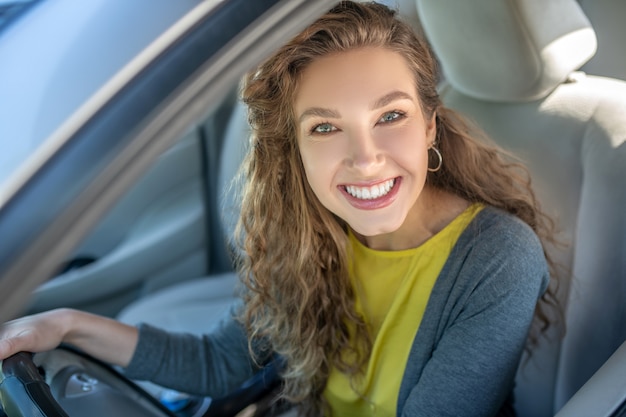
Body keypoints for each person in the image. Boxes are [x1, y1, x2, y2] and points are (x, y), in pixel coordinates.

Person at [0, 2, 561, 416]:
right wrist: (64, 325)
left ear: (430, 125)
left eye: (390, 116)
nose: (366, 160)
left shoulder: (497, 258)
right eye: (325, 127)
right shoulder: (306, 233)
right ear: (294, 150)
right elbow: (218, 364)